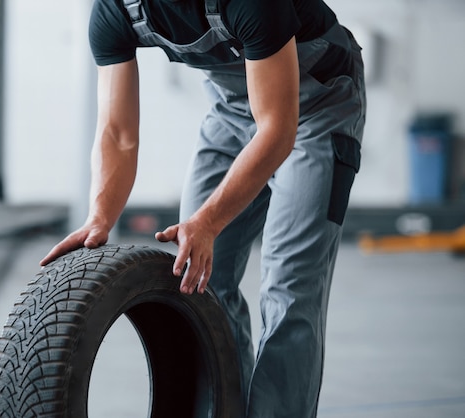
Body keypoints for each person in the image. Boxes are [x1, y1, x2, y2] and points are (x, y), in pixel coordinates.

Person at [41, 0, 366, 416]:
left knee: (290, 290)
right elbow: (118, 134)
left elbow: (277, 131)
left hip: (319, 111)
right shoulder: (116, 11)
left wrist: (209, 219)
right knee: (199, 279)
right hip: (234, 113)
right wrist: (100, 216)